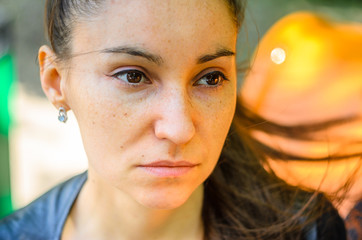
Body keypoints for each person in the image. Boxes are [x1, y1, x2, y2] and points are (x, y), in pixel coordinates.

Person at [0, 0, 346, 239]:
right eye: (134, 76)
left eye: (210, 78)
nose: (180, 128)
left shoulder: (306, 231)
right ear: (57, 82)